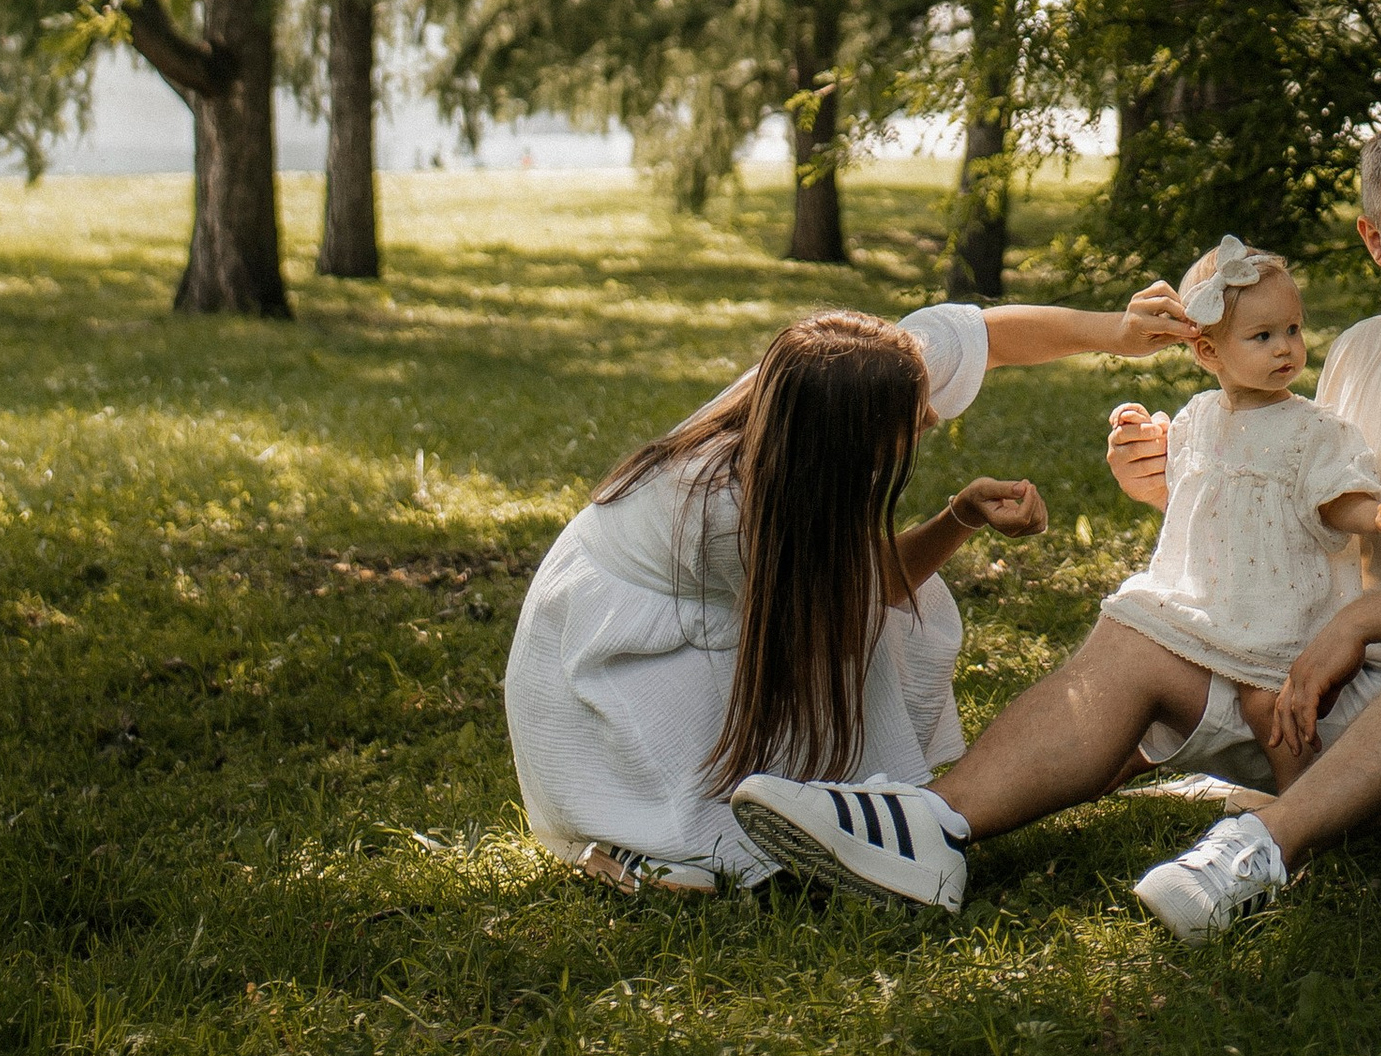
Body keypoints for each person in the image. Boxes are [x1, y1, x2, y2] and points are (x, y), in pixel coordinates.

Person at [730, 108, 1381, 926]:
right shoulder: (1361, 353)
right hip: (1341, 714)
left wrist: (1366, 620)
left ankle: (1262, 849)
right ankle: (929, 825)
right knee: (1142, 630)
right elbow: (1302, 511)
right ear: (1375, 240)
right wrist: (1186, 489)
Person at [505, 284, 1190, 893]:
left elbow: (987, 335)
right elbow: (876, 590)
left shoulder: (834, 377)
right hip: (618, 649)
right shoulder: (728, 517)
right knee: (720, 848)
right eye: (912, 422)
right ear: (844, 444)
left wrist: (1118, 331)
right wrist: (961, 519)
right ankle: (631, 840)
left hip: (702, 602)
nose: (929, 420)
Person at [1093, 236, 1381, 793]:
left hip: (1278, 607)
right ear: (1208, 352)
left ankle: (1300, 799)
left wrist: (1377, 515)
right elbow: (1184, 490)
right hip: (1206, 595)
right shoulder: (1197, 418)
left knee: (1268, 704)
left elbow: (1335, 498)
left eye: (1293, 330)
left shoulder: (1312, 430)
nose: (1286, 348)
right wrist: (1143, 434)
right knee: (1136, 647)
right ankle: (1102, 763)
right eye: (1263, 336)